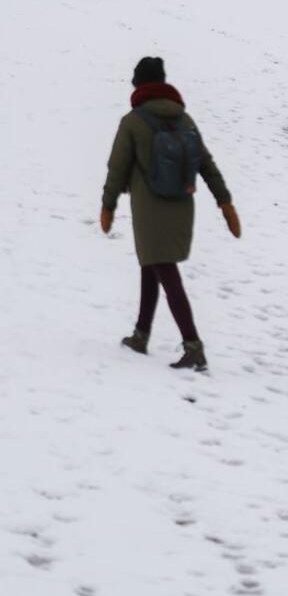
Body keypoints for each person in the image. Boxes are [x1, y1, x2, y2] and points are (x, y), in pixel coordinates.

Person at [101, 56, 240, 371]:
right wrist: (224, 201)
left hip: (149, 208)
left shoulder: (133, 121)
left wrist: (108, 204)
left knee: (163, 268)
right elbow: (206, 163)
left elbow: (117, 166)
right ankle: (142, 333)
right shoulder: (184, 119)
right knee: (152, 264)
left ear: (139, 84)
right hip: (181, 205)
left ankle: (193, 346)